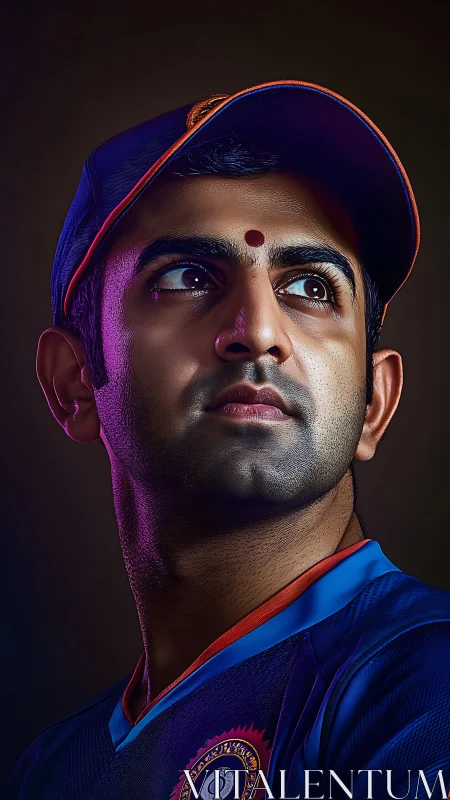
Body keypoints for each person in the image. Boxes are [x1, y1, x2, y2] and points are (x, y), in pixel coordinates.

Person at [7, 81, 450, 800]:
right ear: (76, 382)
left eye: (310, 287)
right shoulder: (50, 771)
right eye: (187, 276)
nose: (259, 331)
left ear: (374, 401)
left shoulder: (426, 688)